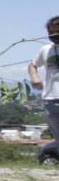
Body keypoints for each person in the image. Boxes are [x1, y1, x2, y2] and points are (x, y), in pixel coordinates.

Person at [28, 15, 59, 145]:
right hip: (51, 99)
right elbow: (32, 65)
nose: (54, 35)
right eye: (50, 33)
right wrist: (34, 77)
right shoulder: (46, 50)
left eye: (56, 31)